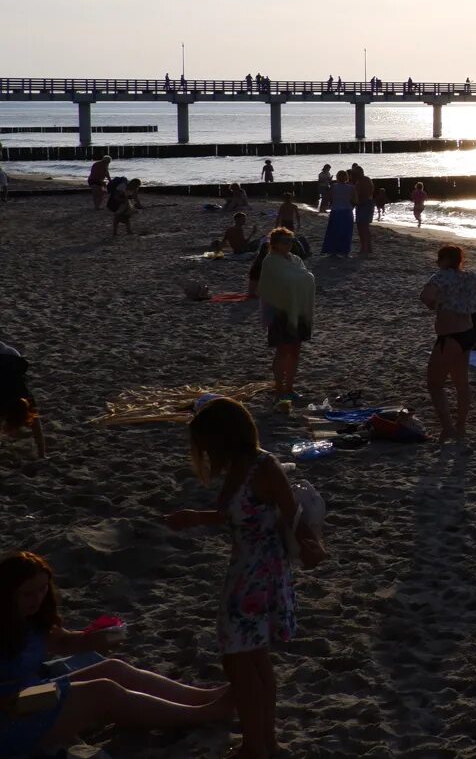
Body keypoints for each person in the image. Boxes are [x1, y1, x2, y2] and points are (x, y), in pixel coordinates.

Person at [165, 398, 300, 759]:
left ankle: (258, 745)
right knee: (251, 658)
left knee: (239, 658)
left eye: (207, 442)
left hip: (260, 573)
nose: (206, 451)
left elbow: (294, 515)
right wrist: (196, 517)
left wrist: (311, 545)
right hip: (248, 569)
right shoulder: (241, 466)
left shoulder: (264, 466)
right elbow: (239, 515)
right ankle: (262, 744)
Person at [1, 552, 233, 757]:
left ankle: (201, 697)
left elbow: (62, 641)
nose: (38, 598)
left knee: (114, 668)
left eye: (43, 589)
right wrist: (51, 695)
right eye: (27, 594)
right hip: (11, 713)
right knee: (103, 690)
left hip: (30, 693)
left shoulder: (31, 617)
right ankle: (199, 715)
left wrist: (92, 639)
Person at [420, 245, 476, 443]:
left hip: (450, 337)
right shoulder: (470, 276)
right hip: (468, 334)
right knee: (461, 383)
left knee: (434, 384)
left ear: (445, 260)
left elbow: (426, 296)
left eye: (439, 259)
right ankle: (461, 427)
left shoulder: (441, 276)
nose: (437, 263)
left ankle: (447, 428)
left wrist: (436, 304)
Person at [252, 230, 313, 397]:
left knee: (295, 350)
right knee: (283, 350)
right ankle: (279, 387)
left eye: (290, 241)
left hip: (298, 309)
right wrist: (301, 279)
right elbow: (271, 286)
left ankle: (290, 386)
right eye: (285, 241)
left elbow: (306, 277)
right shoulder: (271, 261)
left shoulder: (295, 259)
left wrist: (301, 280)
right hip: (280, 312)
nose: (288, 244)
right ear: (275, 243)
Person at [1, 341, 46, 459]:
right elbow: (37, 430)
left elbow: (37, 428)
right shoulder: (26, 399)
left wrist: (42, 454)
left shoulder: (26, 399)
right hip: (11, 358)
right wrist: (42, 455)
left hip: (13, 357)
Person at [321, 171, 355, 257]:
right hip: (347, 211)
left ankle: (333, 251)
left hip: (336, 210)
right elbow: (355, 200)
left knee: (334, 231)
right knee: (346, 232)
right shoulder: (351, 188)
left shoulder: (333, 187)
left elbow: (329, 198)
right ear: (346, 177)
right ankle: (345, 252)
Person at [349, 165, 375, 256]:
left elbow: (364, 194)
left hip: (365, 205)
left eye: (354, 174)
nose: (352, 176)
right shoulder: (362, 180)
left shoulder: (363, 181)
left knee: (363, 227)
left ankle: (365, 248)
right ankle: (367, 247)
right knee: (363, 227)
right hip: (365, 204)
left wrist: (356, 202)